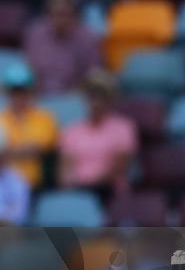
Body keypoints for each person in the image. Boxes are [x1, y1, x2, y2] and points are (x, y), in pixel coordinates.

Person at [58, 70, 138, 198]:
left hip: (110, 193)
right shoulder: (72, 131)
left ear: (109, 99)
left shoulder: (123, 128)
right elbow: (65, 170)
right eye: (91, 95)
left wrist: (91, 185)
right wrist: (69, 188)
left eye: (100, 95)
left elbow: (119, 166)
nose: (95, 101)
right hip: (79, 193)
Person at [0, 64, 58, 187]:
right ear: (7, 93)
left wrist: (6, 152)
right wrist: (20, 151)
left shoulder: (45, 118)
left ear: (31, 91)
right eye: (14, 91)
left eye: (23, 90)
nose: (19, 96)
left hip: (35, 184)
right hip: (2, 185)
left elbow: (37, 148)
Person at [22, 0, 100, 93]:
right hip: (38, 97)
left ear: (75, 16)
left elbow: (93, 75)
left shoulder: (87, 38)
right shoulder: (35, 34)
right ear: (47, 15)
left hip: (75, 98)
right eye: (55, 14)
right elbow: (27, 70)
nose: (60, 20)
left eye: (65, 14)